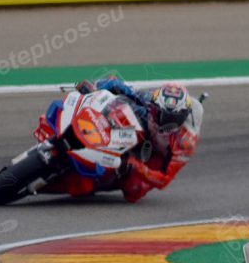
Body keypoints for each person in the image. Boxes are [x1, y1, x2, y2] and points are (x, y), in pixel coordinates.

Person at [38, 76, 202, 202]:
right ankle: (73, 129)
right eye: (162, 114)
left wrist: (135, 165)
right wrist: (95, 88)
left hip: (157, 155)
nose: (166, 121)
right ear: (155, 104)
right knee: (116, 104)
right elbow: (117, 85)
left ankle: (94, 182)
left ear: (183, 116)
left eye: (172, 118)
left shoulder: (184, 142)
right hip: (146, 131)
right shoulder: (150, 102)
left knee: (133, 189)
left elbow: (163, 180)